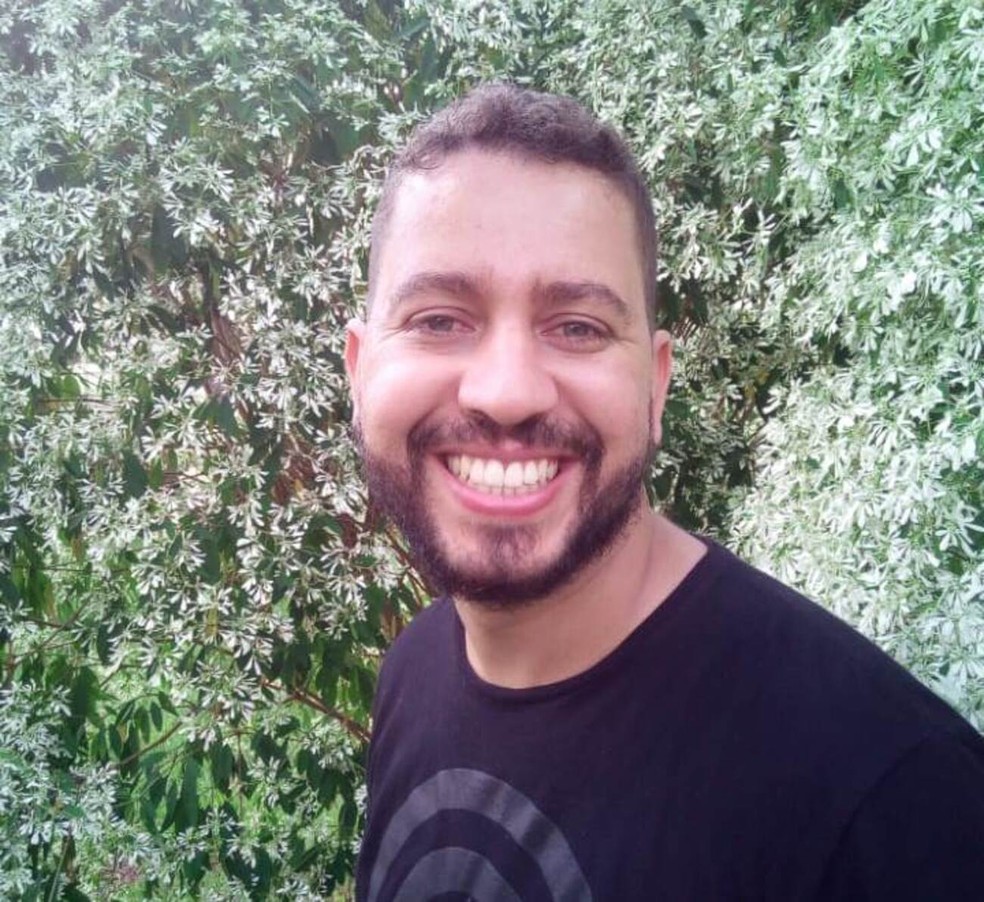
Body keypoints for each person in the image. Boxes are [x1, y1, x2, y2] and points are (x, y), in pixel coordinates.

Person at [345, 84, 984, 901]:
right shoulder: (415, 670)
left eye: (578, 327)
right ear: (359, 370)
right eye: (439, 319)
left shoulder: (896, 804)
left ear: (655, 386)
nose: (506, 392)